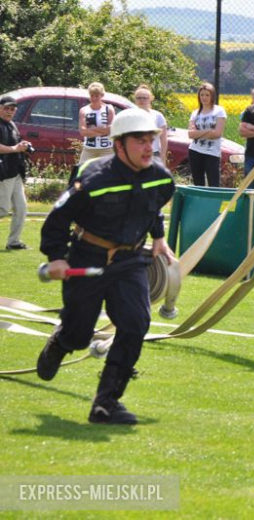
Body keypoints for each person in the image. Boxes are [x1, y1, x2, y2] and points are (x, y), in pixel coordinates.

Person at [36, 108, 176, 424]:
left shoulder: (162, 179)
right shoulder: (93, 179)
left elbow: (152, 208)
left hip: (130, 261)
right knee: (79, 333)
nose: (147, 148)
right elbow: (57, 219)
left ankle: (106, 404)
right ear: (118, 144)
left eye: (150, 140)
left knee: (135, 324)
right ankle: (61, 342)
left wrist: (159, 238)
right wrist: (56, 257)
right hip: (86, 256)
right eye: (139, 141)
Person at [0, 95, 31, 250]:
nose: (9, 112)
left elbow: (16, 144)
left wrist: (23, 145)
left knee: (21, 208)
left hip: (16, 172)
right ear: (0, 108)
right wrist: (15, 149)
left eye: (12, 109)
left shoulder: (11, 124)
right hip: (4, 174)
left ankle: (14, 242)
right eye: (6, 108)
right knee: (3, 209)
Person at [188, 82, 227, 188]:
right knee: (198, 184)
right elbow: (190, 134)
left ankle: (214, 204)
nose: (204, 98)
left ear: (212, 96)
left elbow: (217, 134)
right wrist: (209, 131)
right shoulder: (195, 113)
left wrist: (198, 133)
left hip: (212, 153)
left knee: (214, 184)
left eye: (207, 95)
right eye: (202, 95)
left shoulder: (219, 111)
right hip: (195, 151)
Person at [78, 82, 115, 163]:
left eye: (96, 96)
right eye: (92, 95)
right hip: (89, 149)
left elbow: (110, 129)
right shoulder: (84, 110)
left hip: (107, 149)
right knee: (81, 173)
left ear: (102, 96)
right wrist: (102, 131)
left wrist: (91, 130)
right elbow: (83, 131)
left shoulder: (109, 108)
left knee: (109, 174)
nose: (94, 98)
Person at [133, 84, 168, 164]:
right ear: (135, 99)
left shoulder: (158, 115)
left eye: (144, 98)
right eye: (139, 98)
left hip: (153, 154)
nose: (141, 100)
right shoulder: (129, 115)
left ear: (150, 99)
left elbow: (163, 138)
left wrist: (163, 156)